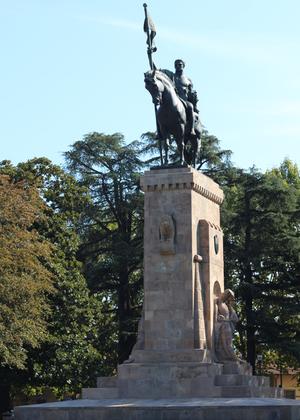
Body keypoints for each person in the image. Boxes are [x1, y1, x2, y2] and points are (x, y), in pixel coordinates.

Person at [161, 59, 198, 136]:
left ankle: (191, 129)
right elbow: (155, 70)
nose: (178, 66)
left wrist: (192, 94)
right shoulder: (171, 75)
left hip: (184, 100)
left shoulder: (188, 80)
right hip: (173, 99)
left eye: (180, 65)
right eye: (176, 65)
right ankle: (160, 132)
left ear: (183, 66)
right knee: (160, 111)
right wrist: (150, 56)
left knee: (190, 107)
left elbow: (191, 92)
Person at [214, 289, 239, 362]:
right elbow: (216, 317)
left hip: (227, 325)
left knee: (228, 344)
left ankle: (234, 358)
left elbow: (233, 317)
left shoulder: (226, 304)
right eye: (228, 297)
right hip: (223, 326)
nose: (228, 299)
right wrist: (219, 317)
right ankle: (233, 358)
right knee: (226, 344)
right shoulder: (218, 302)